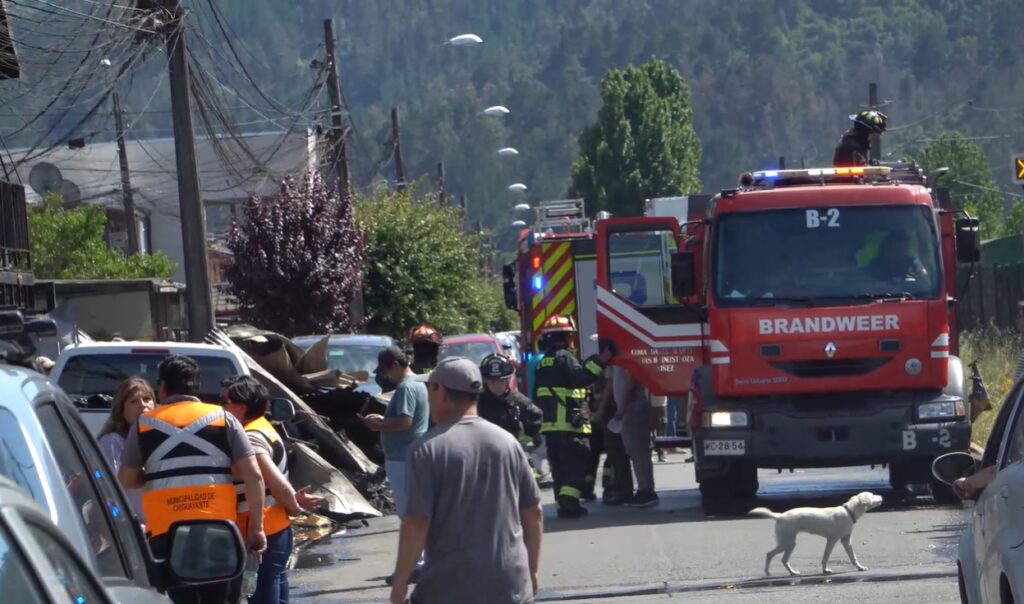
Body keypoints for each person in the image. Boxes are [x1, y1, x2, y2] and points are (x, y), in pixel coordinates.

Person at [390, 358, 543, 604]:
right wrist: (532, 570)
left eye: (430, 388)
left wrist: (400, 582)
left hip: (450, 590)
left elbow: (417, 523)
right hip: (511, 587)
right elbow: (533, 512)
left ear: (442, 392)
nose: (428, 395)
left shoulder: (427, 449)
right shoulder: (507, 442)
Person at [119, 355, 267, 604]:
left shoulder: (144, 424)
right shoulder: (224, 419)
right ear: (197, 386)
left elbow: (126, 479)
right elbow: (254, 475)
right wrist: (257, 530)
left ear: (162, 386)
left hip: (166, 535)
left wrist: (157, 476)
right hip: (218, 531)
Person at [220, 375, 323, 604]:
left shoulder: (251, 437)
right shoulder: (262, 428)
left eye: (225, 402)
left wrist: (294, 507)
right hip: (275, 528)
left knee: (264, 595)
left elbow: (273, 481)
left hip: (264, 531)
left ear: (241, 407)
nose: (221, 407)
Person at [362, 345, 430, 584]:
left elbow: (404, 421)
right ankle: (424, 562)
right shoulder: (418, 384)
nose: (385, 376)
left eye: (386, 370)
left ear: (395, 365)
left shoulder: (406, 387)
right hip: (410, 454)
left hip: (403, 457)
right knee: (416, 512)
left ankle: (417, 565)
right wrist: (383, 420)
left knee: (410, 514)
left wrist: (379, 425)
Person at [533, 315, 611, 519]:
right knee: (579, 462)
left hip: (552, 428)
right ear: (566, 337)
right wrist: (600, 362)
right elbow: (580, 378)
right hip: (569, 426)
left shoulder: (544, 362)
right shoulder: (564, 357)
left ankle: (563, 505)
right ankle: (570, 503)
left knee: (559, 468)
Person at [98, 377, 155, 523]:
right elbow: (110, 492)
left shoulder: (161, 437)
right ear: (121, 410)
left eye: (147, 399)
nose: (142, 405)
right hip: (134, 528)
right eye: (134, 401)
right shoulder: (112, 441)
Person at [614, 365, 659, 507]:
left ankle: (646, 491)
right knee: (635, 450)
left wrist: (621, 408)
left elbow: (633, 379)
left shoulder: (627, 357)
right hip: (632, 406)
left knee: (638, 450)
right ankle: (644, 489)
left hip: (633, 406)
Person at [478, 353, 543, 446]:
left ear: (508, 379)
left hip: (513, 452)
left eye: (500, 381)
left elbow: (536, 422)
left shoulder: (520, 402)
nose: (497, 385)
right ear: (485, 381)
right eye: (492, 381)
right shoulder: (478, 403)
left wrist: (526, 445)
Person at [594, 367, 634, 505]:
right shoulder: (619, 362)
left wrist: (601, 409)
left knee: (616, 452)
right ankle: (620, 489)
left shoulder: (614, 364)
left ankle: (622, 490)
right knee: (617, 453)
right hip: (620, 407)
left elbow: (610, 385)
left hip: (615, 409)